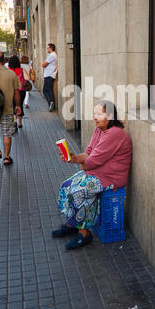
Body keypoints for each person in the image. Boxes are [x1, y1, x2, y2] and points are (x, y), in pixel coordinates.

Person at [52, 100, 132, 250]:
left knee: (79, 192)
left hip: (111, 178)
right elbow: (88, 153)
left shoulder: (115, 133)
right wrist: (73, 158)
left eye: (99, 114)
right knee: (66, 185)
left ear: (109, 115)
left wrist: (83, 164)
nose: (95, 117)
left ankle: (84, 234)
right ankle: (72, 224)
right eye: (94, 114)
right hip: (96, 173)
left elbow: (91, 162)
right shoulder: (99, 130)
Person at [8, 55, 30, 130]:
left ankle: (14, 122)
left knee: (13, 106)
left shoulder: (8, 70)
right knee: (20, 105)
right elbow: (27, 78)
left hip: (10, 91)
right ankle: (19, 123)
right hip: (21, 91)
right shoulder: (21, 70)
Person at [42, 43, 57, 112]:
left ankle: (51, 102)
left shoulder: (52, 55)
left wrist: (43, 63)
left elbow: (43, 64)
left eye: (48, 48)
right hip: (50, 75)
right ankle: (51, 103)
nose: (47, 49)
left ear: (51, 48)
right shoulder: (53, 55)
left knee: (45, 90)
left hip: (49, 75)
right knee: (49, 90)